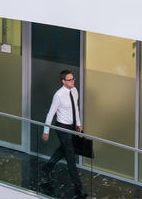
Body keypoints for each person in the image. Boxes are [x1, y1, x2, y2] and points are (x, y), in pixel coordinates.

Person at [41, 69, 88, 198]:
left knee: (63, 149)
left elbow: (76, 108)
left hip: (72, 126)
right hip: (62, 127)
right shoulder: (59, 95)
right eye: (70, 80)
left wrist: (78, 124)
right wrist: (46, 131)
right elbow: (50, 113)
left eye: (73, 79)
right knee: (70, 157)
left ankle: (47, 167)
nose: (73, 81)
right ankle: (79, 188)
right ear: (63, 81)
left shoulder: (74, 90)